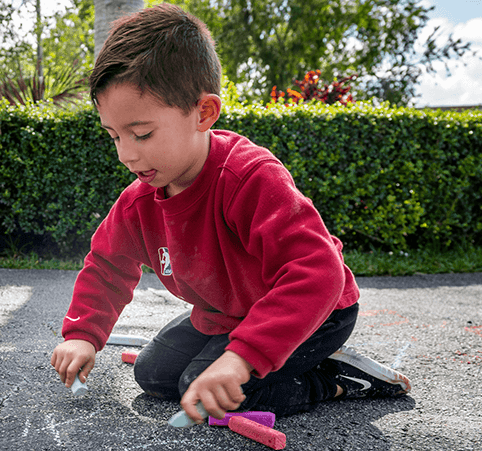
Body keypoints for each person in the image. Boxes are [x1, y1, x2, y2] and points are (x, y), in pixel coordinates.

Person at [49, 3, 411, 425]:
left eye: (142, 133)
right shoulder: (139, 200)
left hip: (316, 312)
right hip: (230, 315)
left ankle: (334, 378)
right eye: (114, 136)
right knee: (154, 376)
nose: (127, 154)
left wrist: (241, 358)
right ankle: (248, 357)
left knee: (203, 390)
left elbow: (319, 271)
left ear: (203, 113)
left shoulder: (249, 178)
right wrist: (82, 334)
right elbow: (107, 265)